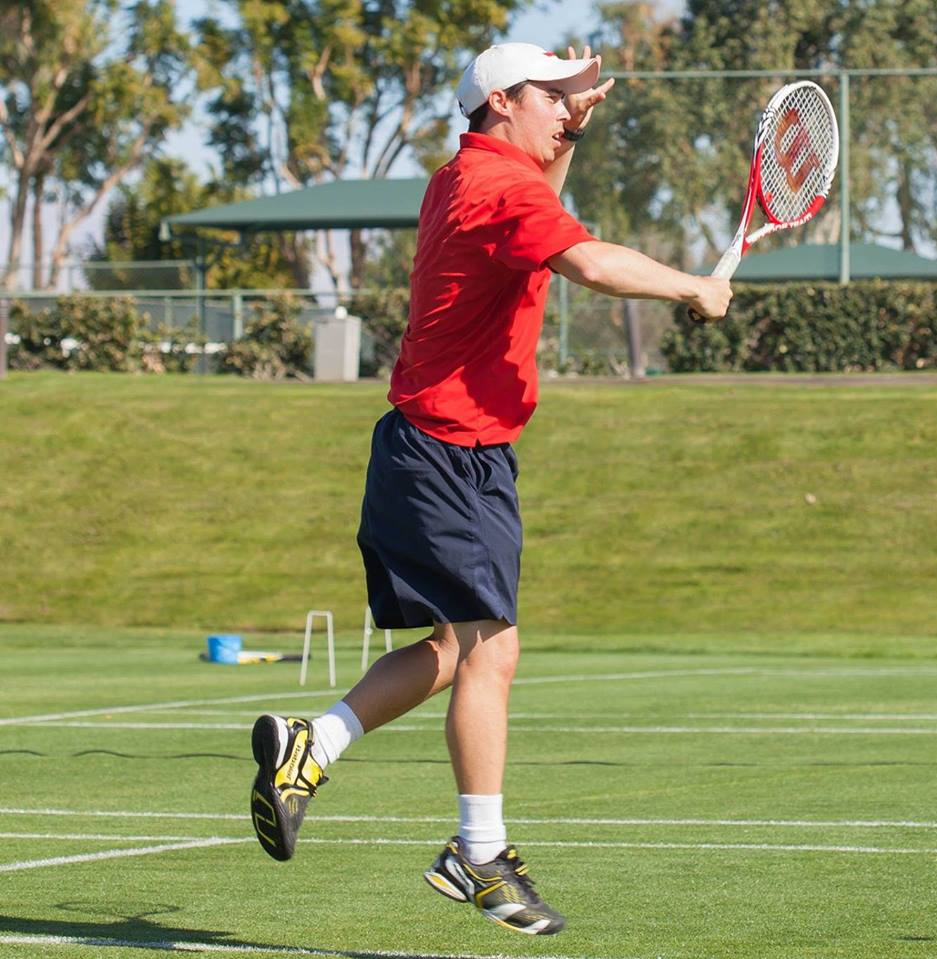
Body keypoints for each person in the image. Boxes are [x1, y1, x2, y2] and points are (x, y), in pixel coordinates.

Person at [249, 42, 732, 937]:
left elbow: (543, 188)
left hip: (453, 452)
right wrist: (691, 288)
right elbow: (587, 261)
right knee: (492, 651)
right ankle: (477, 851)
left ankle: (314, 744)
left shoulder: (462, 174)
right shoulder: (496, 192)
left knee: (449, 649)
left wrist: (574, 130)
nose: (568, 107)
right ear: (503, 100)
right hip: (443, 451)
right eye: (552, 96)